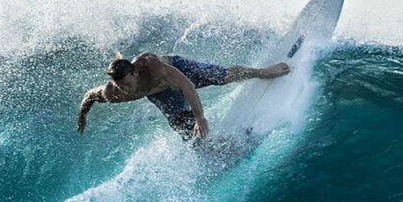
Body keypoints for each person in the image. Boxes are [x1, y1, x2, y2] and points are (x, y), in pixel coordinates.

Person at [77, 52, 291, 141]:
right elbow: (90, 96)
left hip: (180, 72)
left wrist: (200, 117)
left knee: (222, 76)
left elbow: (186, 85)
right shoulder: (114, 93)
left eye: (127, 84)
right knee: (186, 130)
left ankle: (262, 72)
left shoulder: (150, 64)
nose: (126, 90)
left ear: (135, 72)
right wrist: (82, 116)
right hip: (162, 96)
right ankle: (217, 149)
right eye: (121, 86)